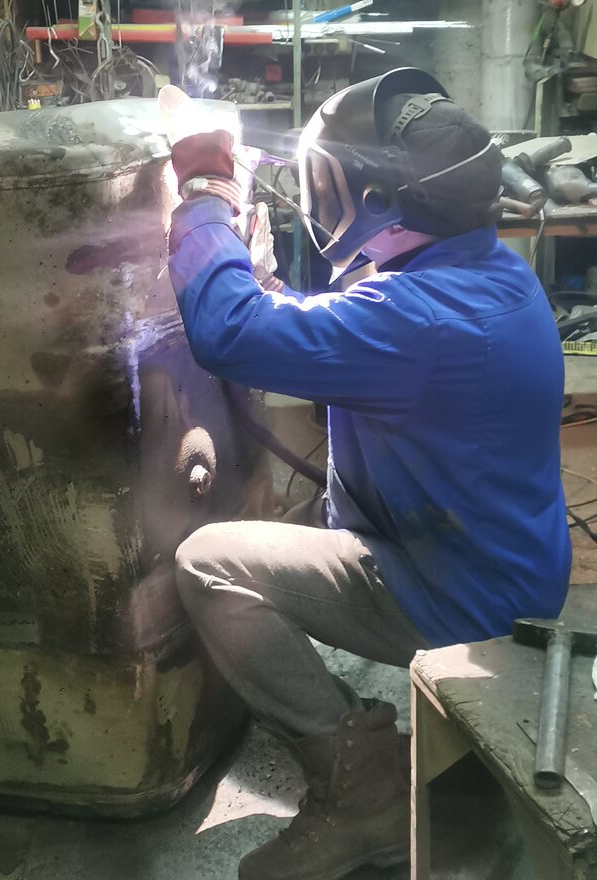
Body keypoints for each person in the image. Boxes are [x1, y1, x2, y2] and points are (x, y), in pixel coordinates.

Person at [163, 68, 570, 880]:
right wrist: (268, 284)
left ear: (377, 200)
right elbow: (357, 332)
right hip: (505, 568)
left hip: (455, 593)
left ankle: (363, 796)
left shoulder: (418, 320)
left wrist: (205, 194)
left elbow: (227, 334)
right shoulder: (490, 275)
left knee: (209, 564)